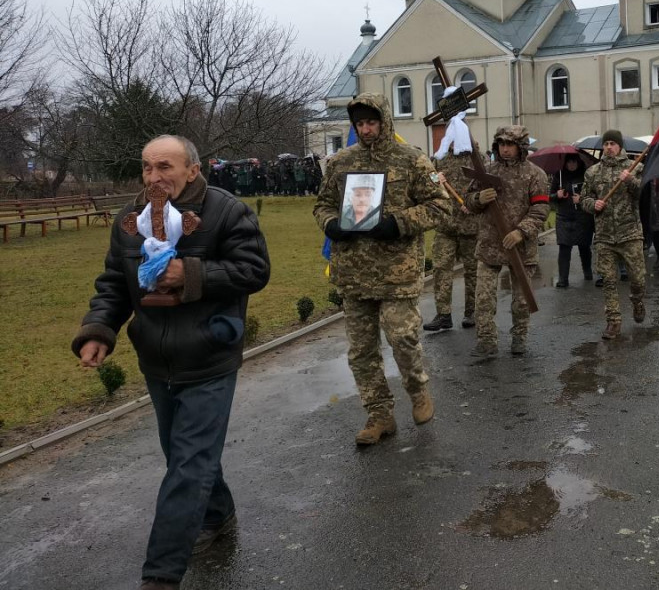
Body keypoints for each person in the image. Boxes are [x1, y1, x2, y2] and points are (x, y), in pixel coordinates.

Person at [71, 135, 270, 590]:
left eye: (165, 167)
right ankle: (217, 514)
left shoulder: (225, 211)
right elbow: (113, 284)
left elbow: (255, 270)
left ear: (193, 170)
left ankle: (161, 573)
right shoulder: (130, 220)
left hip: (209, 354)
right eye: (147, 168)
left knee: (189, 464)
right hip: (155, 359)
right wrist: (99, 331)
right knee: (182, 454)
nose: (154, 177)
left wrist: (193, 273)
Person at [314, 93, 449, 446]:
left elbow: (440, 206)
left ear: (384, 121)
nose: (366, 129)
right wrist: (331, 224)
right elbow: (323, 205)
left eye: (371, 122)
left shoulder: (412, 160)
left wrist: (399, 222)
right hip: (354, 272)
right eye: (360, 124)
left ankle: (418, 391)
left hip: (396, 272)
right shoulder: (342, 162)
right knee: (361, 351)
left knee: (402, 337)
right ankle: (379, 413)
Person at [466, 125, 549, 358]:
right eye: (501, 144)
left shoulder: (535, 174)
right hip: (490, 243)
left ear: (521, 147)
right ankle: (486, 340)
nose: (505, 149)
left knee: (521, 300)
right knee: (483, 297)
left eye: (510, 144)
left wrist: (522, 231)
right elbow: (468, 200)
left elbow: (541, 208)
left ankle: (519, 337)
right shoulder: (486, 171)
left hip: (520, 245)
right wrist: (478, 198)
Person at [581, 129, 646, 340]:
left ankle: (637, 301)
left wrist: (630, 181)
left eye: (612, 143)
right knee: (608, 280)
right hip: (604, 235)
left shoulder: (635, 168)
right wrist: (593, 204)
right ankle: (613, 321)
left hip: (630, 233)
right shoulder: (593, 172)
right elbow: (584, 199)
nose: (609, 147)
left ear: (620, 146)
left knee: (638, 279)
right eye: (606, 143)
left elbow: (644, 195)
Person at [425, 141, 480, 331]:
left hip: (471, 225)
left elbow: (487, 186)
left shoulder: (477, 157)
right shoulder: (439, 158)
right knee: (441, 269)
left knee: (473, 271)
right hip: (446, 225)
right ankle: (443, 314)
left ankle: (472, 312)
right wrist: (435, 180)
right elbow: (427, 184)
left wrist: (474, 203)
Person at [550, 155, 594, 287]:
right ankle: (563, 279)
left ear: (578, 162)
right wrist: (556, 195)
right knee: (564, 247)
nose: (571, 165)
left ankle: (588, 272)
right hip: (564, 216)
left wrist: (581, 198)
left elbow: (593, 194)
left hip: (583, 216)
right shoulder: (559, 175)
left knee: (584, 246)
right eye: (569, 162)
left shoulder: (586, 175)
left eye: (574, 162)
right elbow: (550, 196)